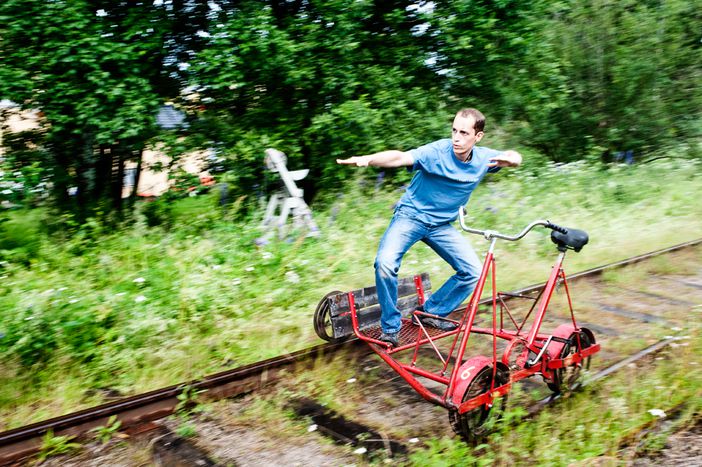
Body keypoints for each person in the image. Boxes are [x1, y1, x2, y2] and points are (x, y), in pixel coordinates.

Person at [337, 108, 522, 347]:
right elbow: (400, 157)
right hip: (410, 217)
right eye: (454, 130)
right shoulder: (436, 152)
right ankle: (391, 328)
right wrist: (369, 159)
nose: (456, 138)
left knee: (473, 271)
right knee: (385, 263)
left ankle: (429, 313)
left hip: (441, 226)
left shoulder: (484, 158)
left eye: (464, 133)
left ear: (478, 137)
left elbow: (514, 155)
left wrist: (513, 160)